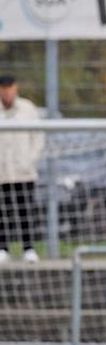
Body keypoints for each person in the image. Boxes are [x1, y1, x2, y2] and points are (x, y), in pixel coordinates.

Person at [0, 74, 44, 263]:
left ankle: (28, 248)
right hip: (2, 172)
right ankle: (2, 248)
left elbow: (38, 137)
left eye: (10, 88)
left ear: (15, 88)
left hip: (23, 171)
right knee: (3, 211)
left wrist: (29, 160)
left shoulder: (27, 109)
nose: (7, 92)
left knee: (25, 210)